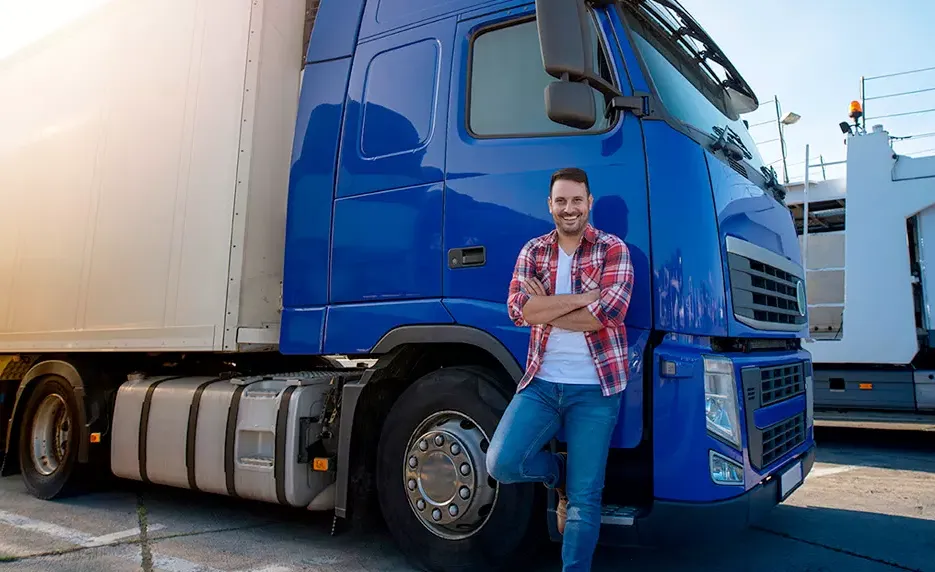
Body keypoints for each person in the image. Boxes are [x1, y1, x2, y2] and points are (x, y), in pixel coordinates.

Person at [486, 167, 634, 571]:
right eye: (561, 201)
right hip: (542, 383)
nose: (569, 209)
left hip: (597, 388)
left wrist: (547, 306)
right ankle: (557, 473)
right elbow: (519, 310)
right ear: (550, 205)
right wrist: (584, 297)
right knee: (502, 462)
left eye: (577, 200)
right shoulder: (533, 250)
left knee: (586, 499)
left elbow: (609, 314)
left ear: (589, 203)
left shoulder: (612, 249)